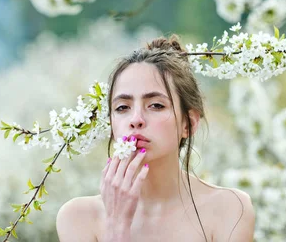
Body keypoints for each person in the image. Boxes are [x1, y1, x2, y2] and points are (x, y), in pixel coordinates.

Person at [56, 36, 255, 241]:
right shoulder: (77, 218)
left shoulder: (230, 209)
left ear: (188, 123)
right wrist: (116, 225)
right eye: (122, 107)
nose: (136, 120)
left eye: (156, 105)